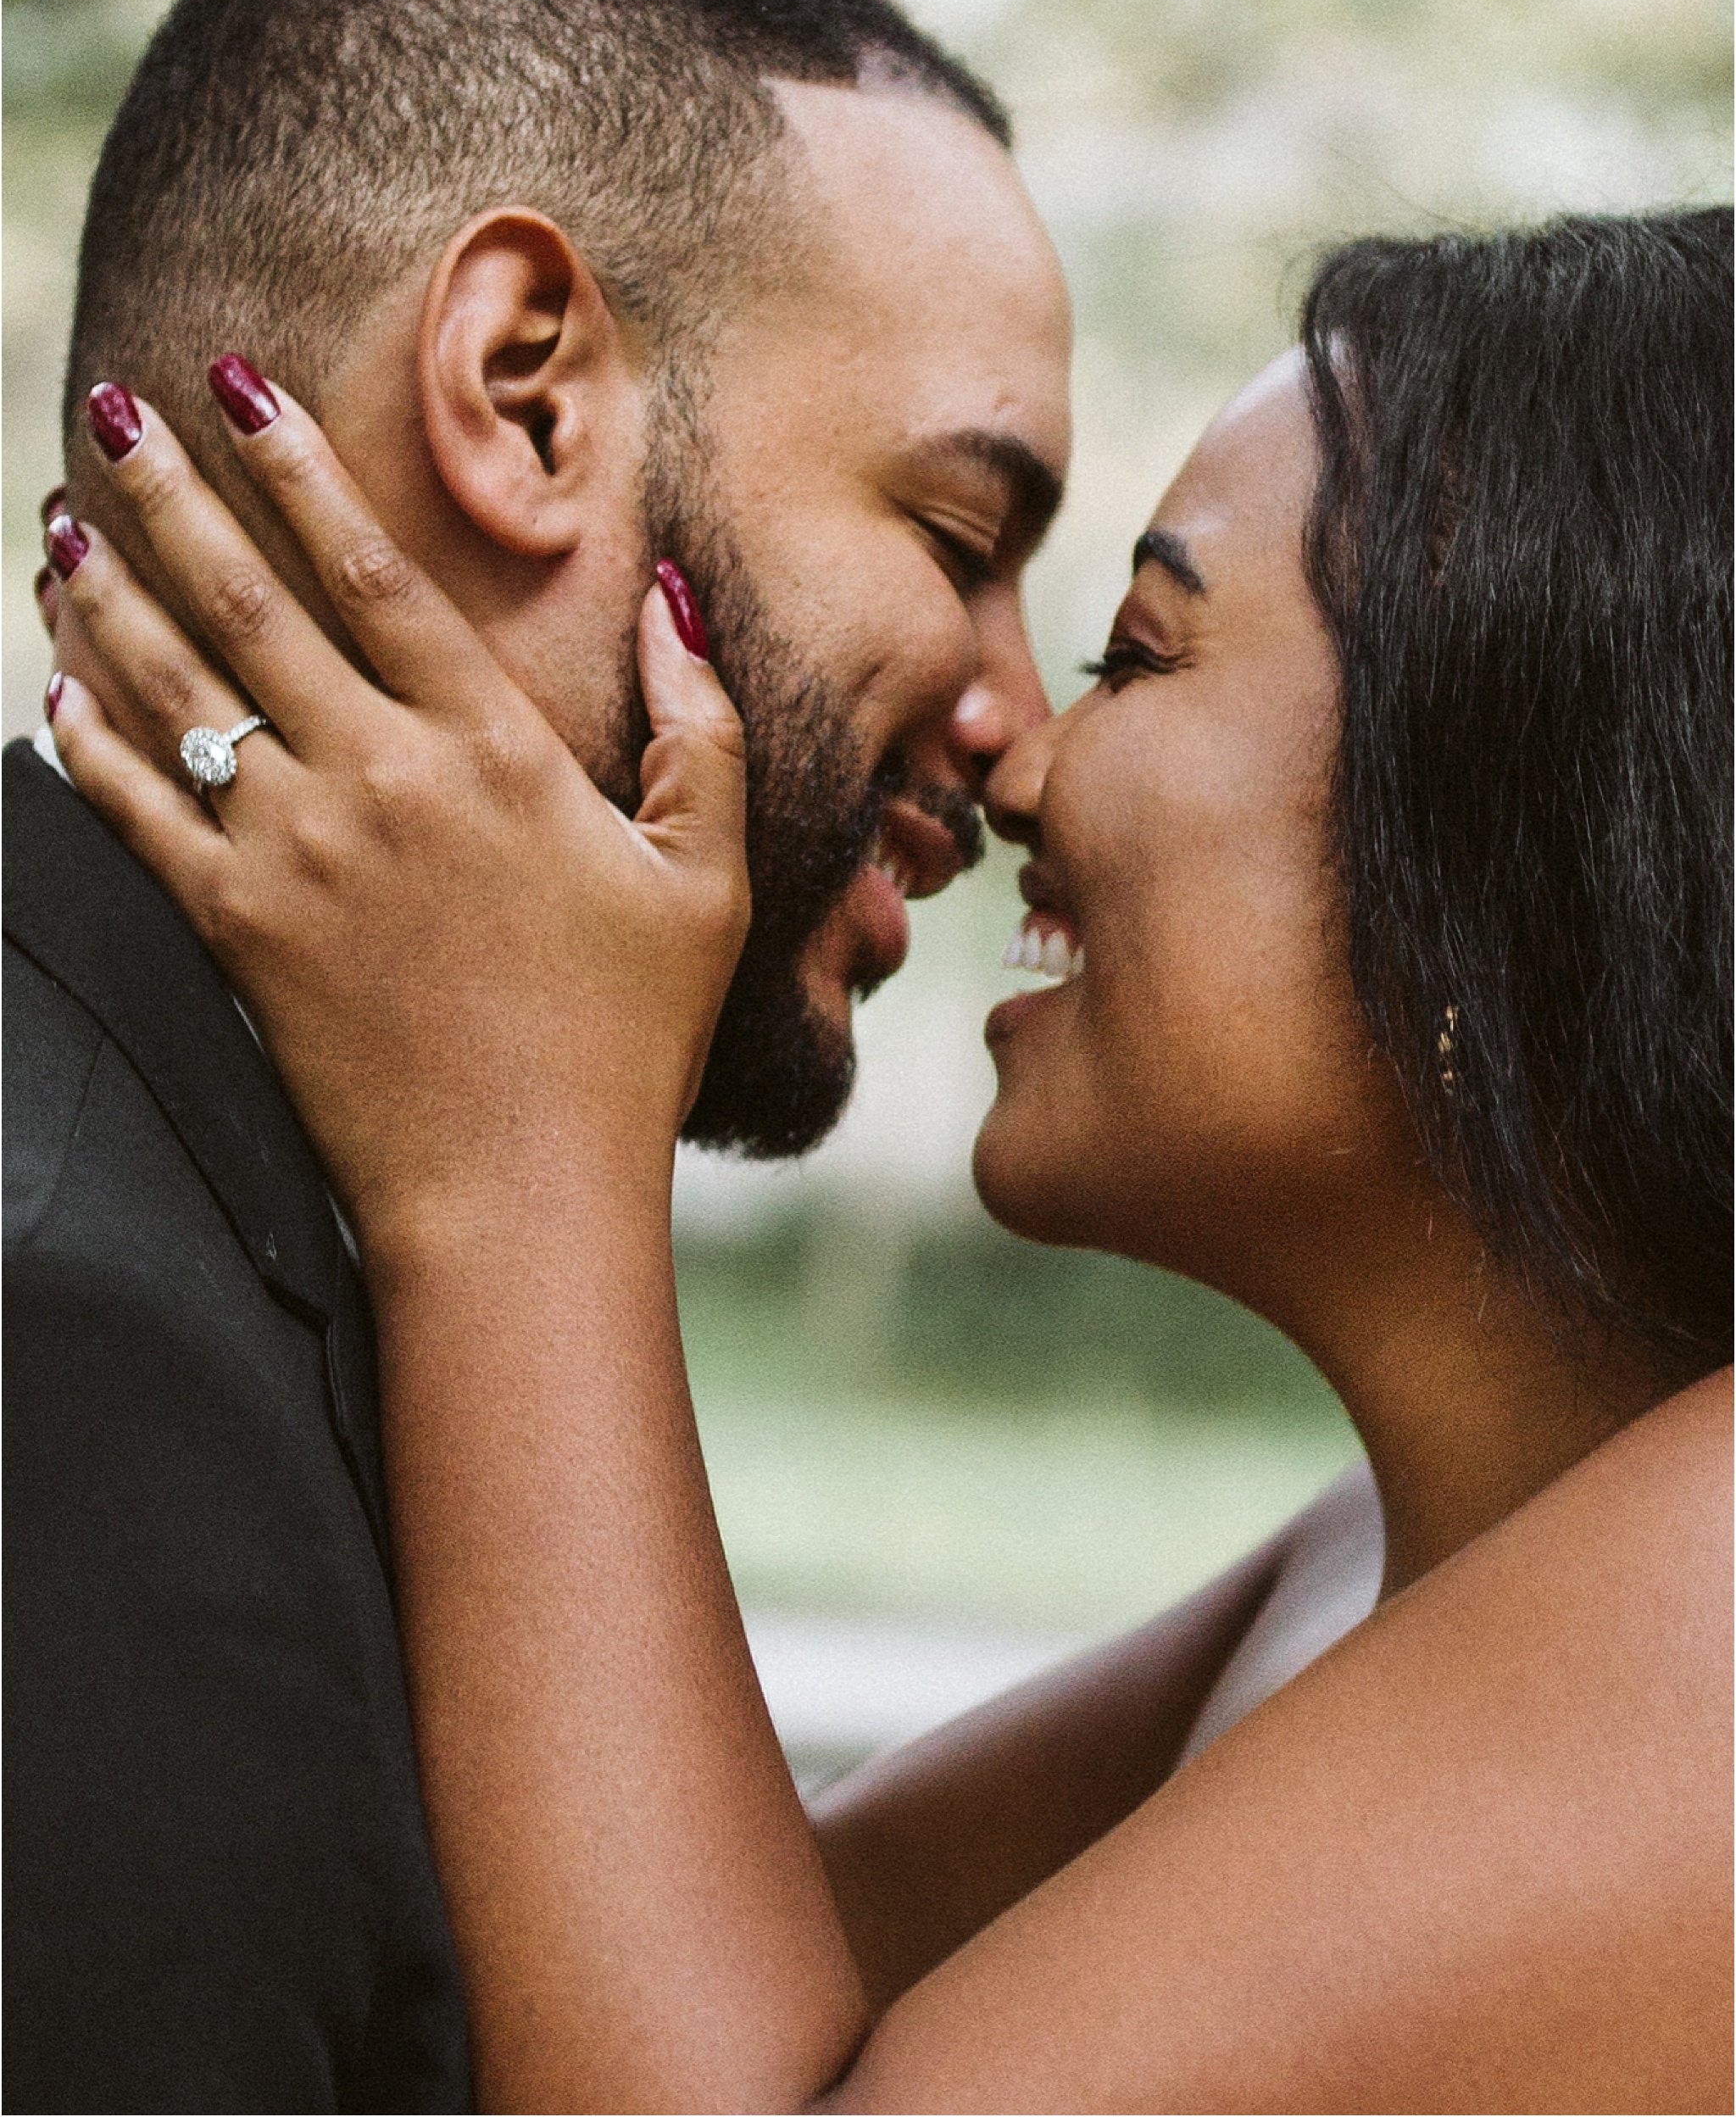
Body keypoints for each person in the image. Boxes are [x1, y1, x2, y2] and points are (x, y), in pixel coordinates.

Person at [43, 207, 1733, 2112]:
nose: (1018, 769)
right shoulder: (1374, 1558)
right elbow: (656, 1979)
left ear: (1520, 819)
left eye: (1141, 651)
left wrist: (521, 1156)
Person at [3, 0, 1073, 2114]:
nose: (1016, 724)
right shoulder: (55, 1357)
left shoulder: (280, 1231)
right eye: (962, 540)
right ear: (523, 392)